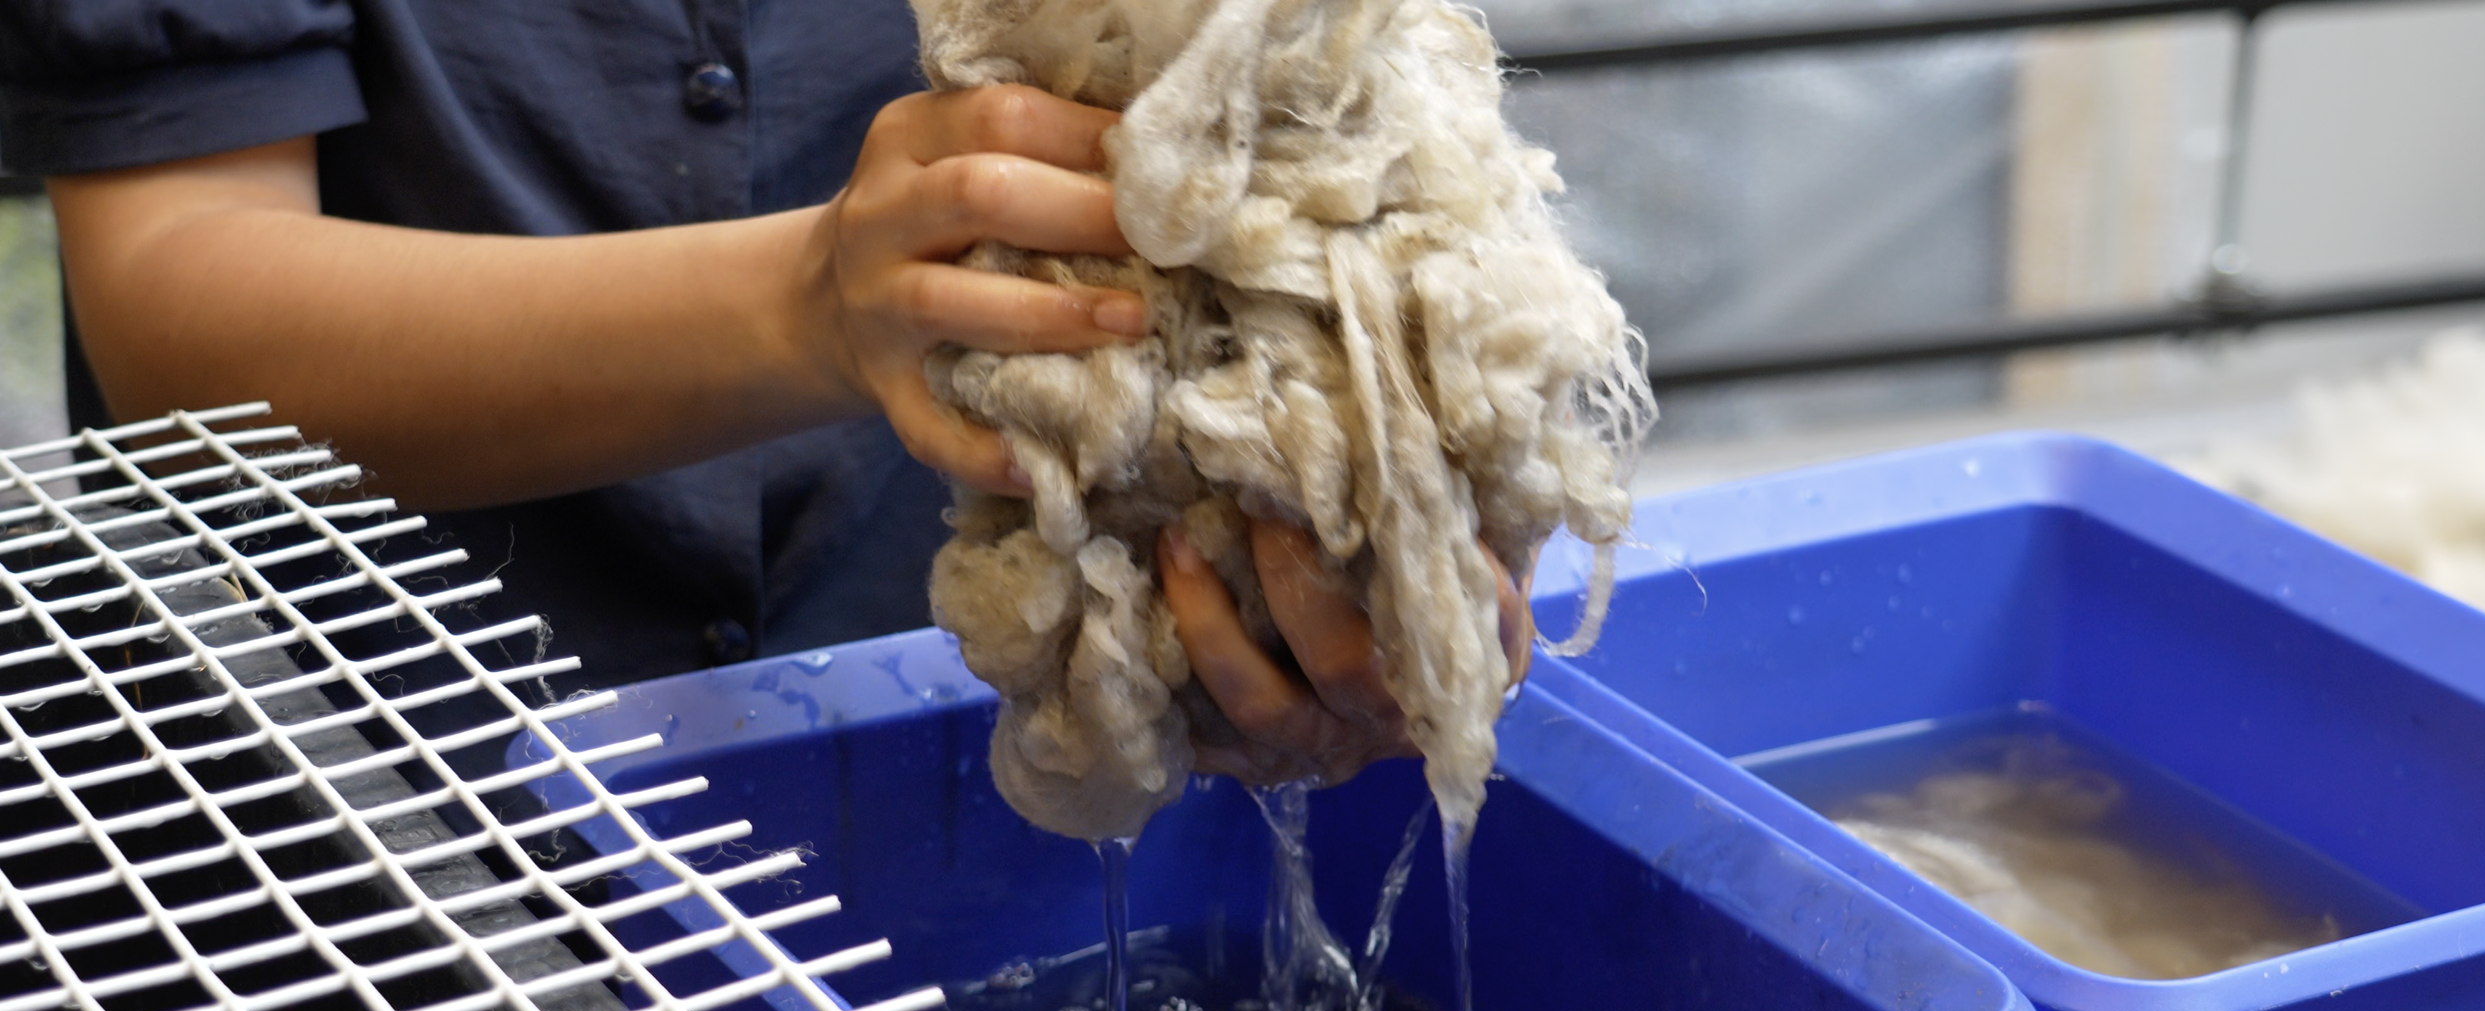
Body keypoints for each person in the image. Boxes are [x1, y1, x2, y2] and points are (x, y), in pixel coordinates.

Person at [0, 0, 1528, 787]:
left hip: (924, 748)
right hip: (364, 809)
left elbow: (1310, 122)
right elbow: (176, 311)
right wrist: (809, 305)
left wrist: (1393, 499)